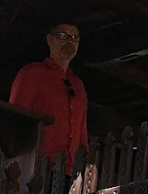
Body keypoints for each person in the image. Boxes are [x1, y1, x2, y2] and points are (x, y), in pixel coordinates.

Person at [9, 22, 88, 177]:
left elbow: (82, 129)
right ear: (49, 40)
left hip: (70, 170)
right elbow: (15, 117)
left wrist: (84, 161)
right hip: (35, 166)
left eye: (74, 38)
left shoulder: (78, 85)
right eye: (63, 36)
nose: (69, 41)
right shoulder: (32, 73)